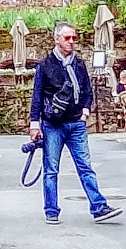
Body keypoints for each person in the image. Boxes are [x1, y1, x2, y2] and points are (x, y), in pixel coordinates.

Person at [28, 22, 120, 224]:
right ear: (57, 39)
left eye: (74, 38)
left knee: (85, 167)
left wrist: (85, 112)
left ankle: (99, 207)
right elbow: (37, 96)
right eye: (67, 38)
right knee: (51, 170)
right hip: (53, 125)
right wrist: (35, 124)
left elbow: (87, 89)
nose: (71, 42)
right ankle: (51, 210)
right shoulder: (45, 66)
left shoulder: (78, 64)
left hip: (76, 123)